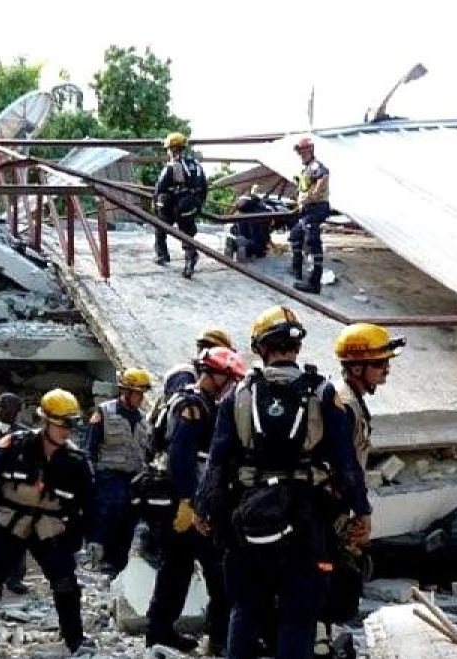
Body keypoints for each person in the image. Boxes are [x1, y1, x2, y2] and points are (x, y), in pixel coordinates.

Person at [196, 306, 371, 659]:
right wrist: (361, 510)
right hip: (307, 521)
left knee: (244, 610)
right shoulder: (322, 392)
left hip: (248, 518)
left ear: (261, 348)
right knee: (299, 617)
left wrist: (205, 509)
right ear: (296, 348)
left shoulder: (238, 394)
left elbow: (217, 460)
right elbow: (346, 461)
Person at [0, 389, 95, 658]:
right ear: (45, 421)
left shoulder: (76, 460)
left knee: (66, 583)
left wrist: (92, 538)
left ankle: (75, 640)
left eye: (71, 425)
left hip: (49, 527)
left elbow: (88, 503)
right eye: (62, 424)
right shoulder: (14, 446)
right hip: (9, 523)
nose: (67, 431)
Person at [146, 347, 246, 655]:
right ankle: (218, 638)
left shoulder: (191, 401)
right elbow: (183, 457)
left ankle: (160, 633)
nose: (230, 385)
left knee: (175, 570)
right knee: (217, 572)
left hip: (178, 502)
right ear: (212, 375)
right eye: (227, 379)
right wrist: (189, 502)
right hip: (187, 504)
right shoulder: (194, 407)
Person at [317, 323, 404, 653]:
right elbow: (345, 465)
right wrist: (359, 510)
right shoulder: (344, 405)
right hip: (329, 509)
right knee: (330, 579)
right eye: (380, 364)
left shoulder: (350, 401)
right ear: (356, 366)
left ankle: (322, 637)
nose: (386, 371)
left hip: (336, 506)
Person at [85, 368, 153, 576]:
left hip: (134, 477)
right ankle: (101, 557)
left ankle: (118, 563)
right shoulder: (104, 412)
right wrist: (90, 474)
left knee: (128, 520)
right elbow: (91, 447)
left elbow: (147, 450)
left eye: (142, 394)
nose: (140, 398)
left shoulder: (144, 419)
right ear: (125, 392)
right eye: (137, 393)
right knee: (110, 511)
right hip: (109, 475)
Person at [0, 393, 32, 595]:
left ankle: (15, 577)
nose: (1, 411)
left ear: (17, 410)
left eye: (6, 407)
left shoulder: (26, 436)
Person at [153, 131, 208, 279]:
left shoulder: (173, 166)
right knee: (187, 234)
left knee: (160, 226)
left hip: (177, 206)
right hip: (192, 204)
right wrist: (198, 205)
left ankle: (162, 254)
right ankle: (190, 259)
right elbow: (204, 187)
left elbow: (159, 189)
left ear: (172, 149)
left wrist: (157, 206)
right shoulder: (196, 165)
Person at [288, 137, 332, 294]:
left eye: (303, 151)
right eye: (299, 152)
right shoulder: (305, 169)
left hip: (316, 207)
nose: (300, 154)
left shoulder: (316, 166)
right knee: (295, 235)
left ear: (310, 150)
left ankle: (314, 282)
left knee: (312, 241)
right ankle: (297, 269)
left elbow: (324, 177)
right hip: (307, 208)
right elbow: (303, 187)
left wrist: (312, 195)